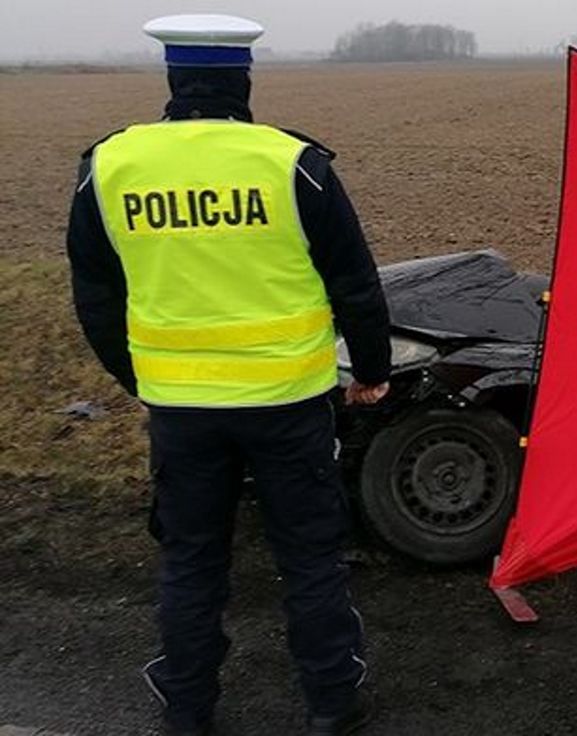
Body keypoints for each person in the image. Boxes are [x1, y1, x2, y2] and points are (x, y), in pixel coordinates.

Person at [65, 14, 389, 736]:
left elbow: (94, 294)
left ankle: (187, 706)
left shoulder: (110, 167)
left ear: (173, 80)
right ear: (245, 79)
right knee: (309, 557)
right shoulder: (293, 164)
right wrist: (370, 372)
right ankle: (332, 703)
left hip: (180, 411)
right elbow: (356, 285)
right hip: (290, 403)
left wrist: (139, 376)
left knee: (192, 559)